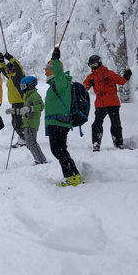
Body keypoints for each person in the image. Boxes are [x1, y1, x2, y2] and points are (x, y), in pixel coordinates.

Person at [44, 47, 81, 186]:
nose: (45, 71)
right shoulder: (54, 84)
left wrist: (55, 61)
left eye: (47, 69)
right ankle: (73, 176)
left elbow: (58, 72)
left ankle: (72, 177)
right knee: (59, 150)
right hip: (55, 122)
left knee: (59, 150)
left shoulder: (61, 82)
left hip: (59, 122)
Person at [83, 55, 132, 151]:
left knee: (116, 124)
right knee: (97, 124)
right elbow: (83, 88)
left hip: (112, 102)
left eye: (95, 64)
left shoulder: (108, 73)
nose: (93, 66)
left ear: (99, 62)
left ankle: (118, 143)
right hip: (100, 104)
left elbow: (120, 81)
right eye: (91, 65)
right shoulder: (91, 77)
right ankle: (96, 143)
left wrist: (126, 76)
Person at [6, 75, 48, 165]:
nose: (22, 89)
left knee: (31, 143)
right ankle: (39, 160)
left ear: (30, 85)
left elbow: (41, 106)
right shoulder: (28, 96)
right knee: (29, 143)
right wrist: (14, 111)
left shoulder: (35, 95)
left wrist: (30, 109)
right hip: (27, 122)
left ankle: (41, 161)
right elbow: (23, 111)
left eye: (23, 86)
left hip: (32, 122)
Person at [0, 51, 27, 145]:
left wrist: (11, 58)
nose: (7, 71)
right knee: (16, 122)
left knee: (17, 122)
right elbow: (3, 71)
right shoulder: (11, 77)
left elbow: (19, 67)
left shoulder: (19, 76)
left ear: (13, 69)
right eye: (6, 70)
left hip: (20, 102)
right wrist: (2, 62)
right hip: (14, 102)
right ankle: (23, 137)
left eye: (8, 69)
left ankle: (24, 138)